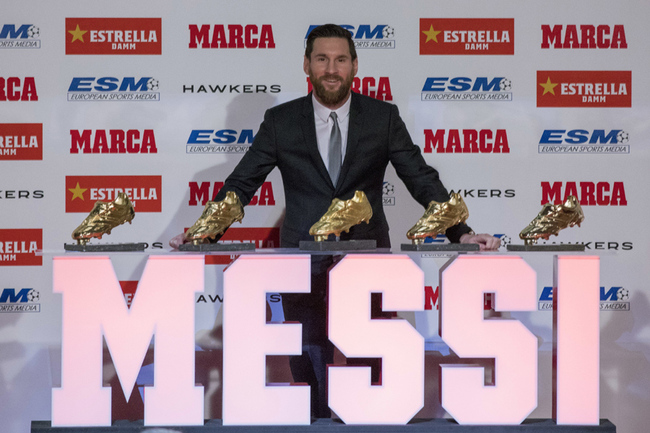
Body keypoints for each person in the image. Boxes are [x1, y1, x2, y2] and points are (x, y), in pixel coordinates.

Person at [173, 24, 499, 417]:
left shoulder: (383, 117)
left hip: (367, 261)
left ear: (355, 66)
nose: (331, 69)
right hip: (302, 262)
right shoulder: (281, 121)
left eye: (340, 60)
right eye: (322, 59)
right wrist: (203, 233)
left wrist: (460, 232)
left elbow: (420, 177)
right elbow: (242, 183)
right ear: (307, 66)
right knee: (308, 367)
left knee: (370, 370)